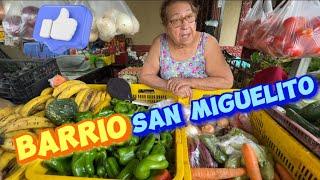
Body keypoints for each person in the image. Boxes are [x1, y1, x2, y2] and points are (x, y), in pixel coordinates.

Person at [139, 0, 234, 98]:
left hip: (203, 108)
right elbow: (145, 76)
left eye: (189, 17)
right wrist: (172, 86)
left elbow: (226, 81)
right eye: (176, 20)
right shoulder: (160, 43)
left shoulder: (207, 43)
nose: (185, 26)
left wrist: (187, 82)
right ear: (166, 27)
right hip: (170, 107)